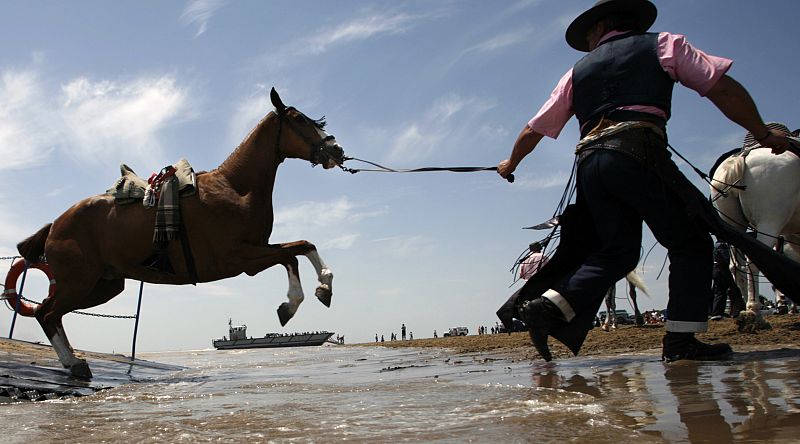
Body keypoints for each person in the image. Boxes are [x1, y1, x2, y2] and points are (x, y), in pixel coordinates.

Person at [497, 0, 791, 362]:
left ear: (601, 26)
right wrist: (762, 133)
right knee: (691, 240)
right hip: (638, 152)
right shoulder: (664, 45)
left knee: (616, 252)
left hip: (591, 165)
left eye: (588, 34)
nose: (588, 43)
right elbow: (723, 89)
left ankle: (549, 306)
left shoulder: (576, 72)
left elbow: (534, 128)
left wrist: (511, 163)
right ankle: (682, 341)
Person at [709, 240, 744, 320]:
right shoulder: (722, 245)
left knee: (717, 290)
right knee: (724, 291)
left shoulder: (716, 245)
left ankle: (714, 312)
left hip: (716, 270)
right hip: (722, 271)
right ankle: (719, 313)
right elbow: (726, 260)